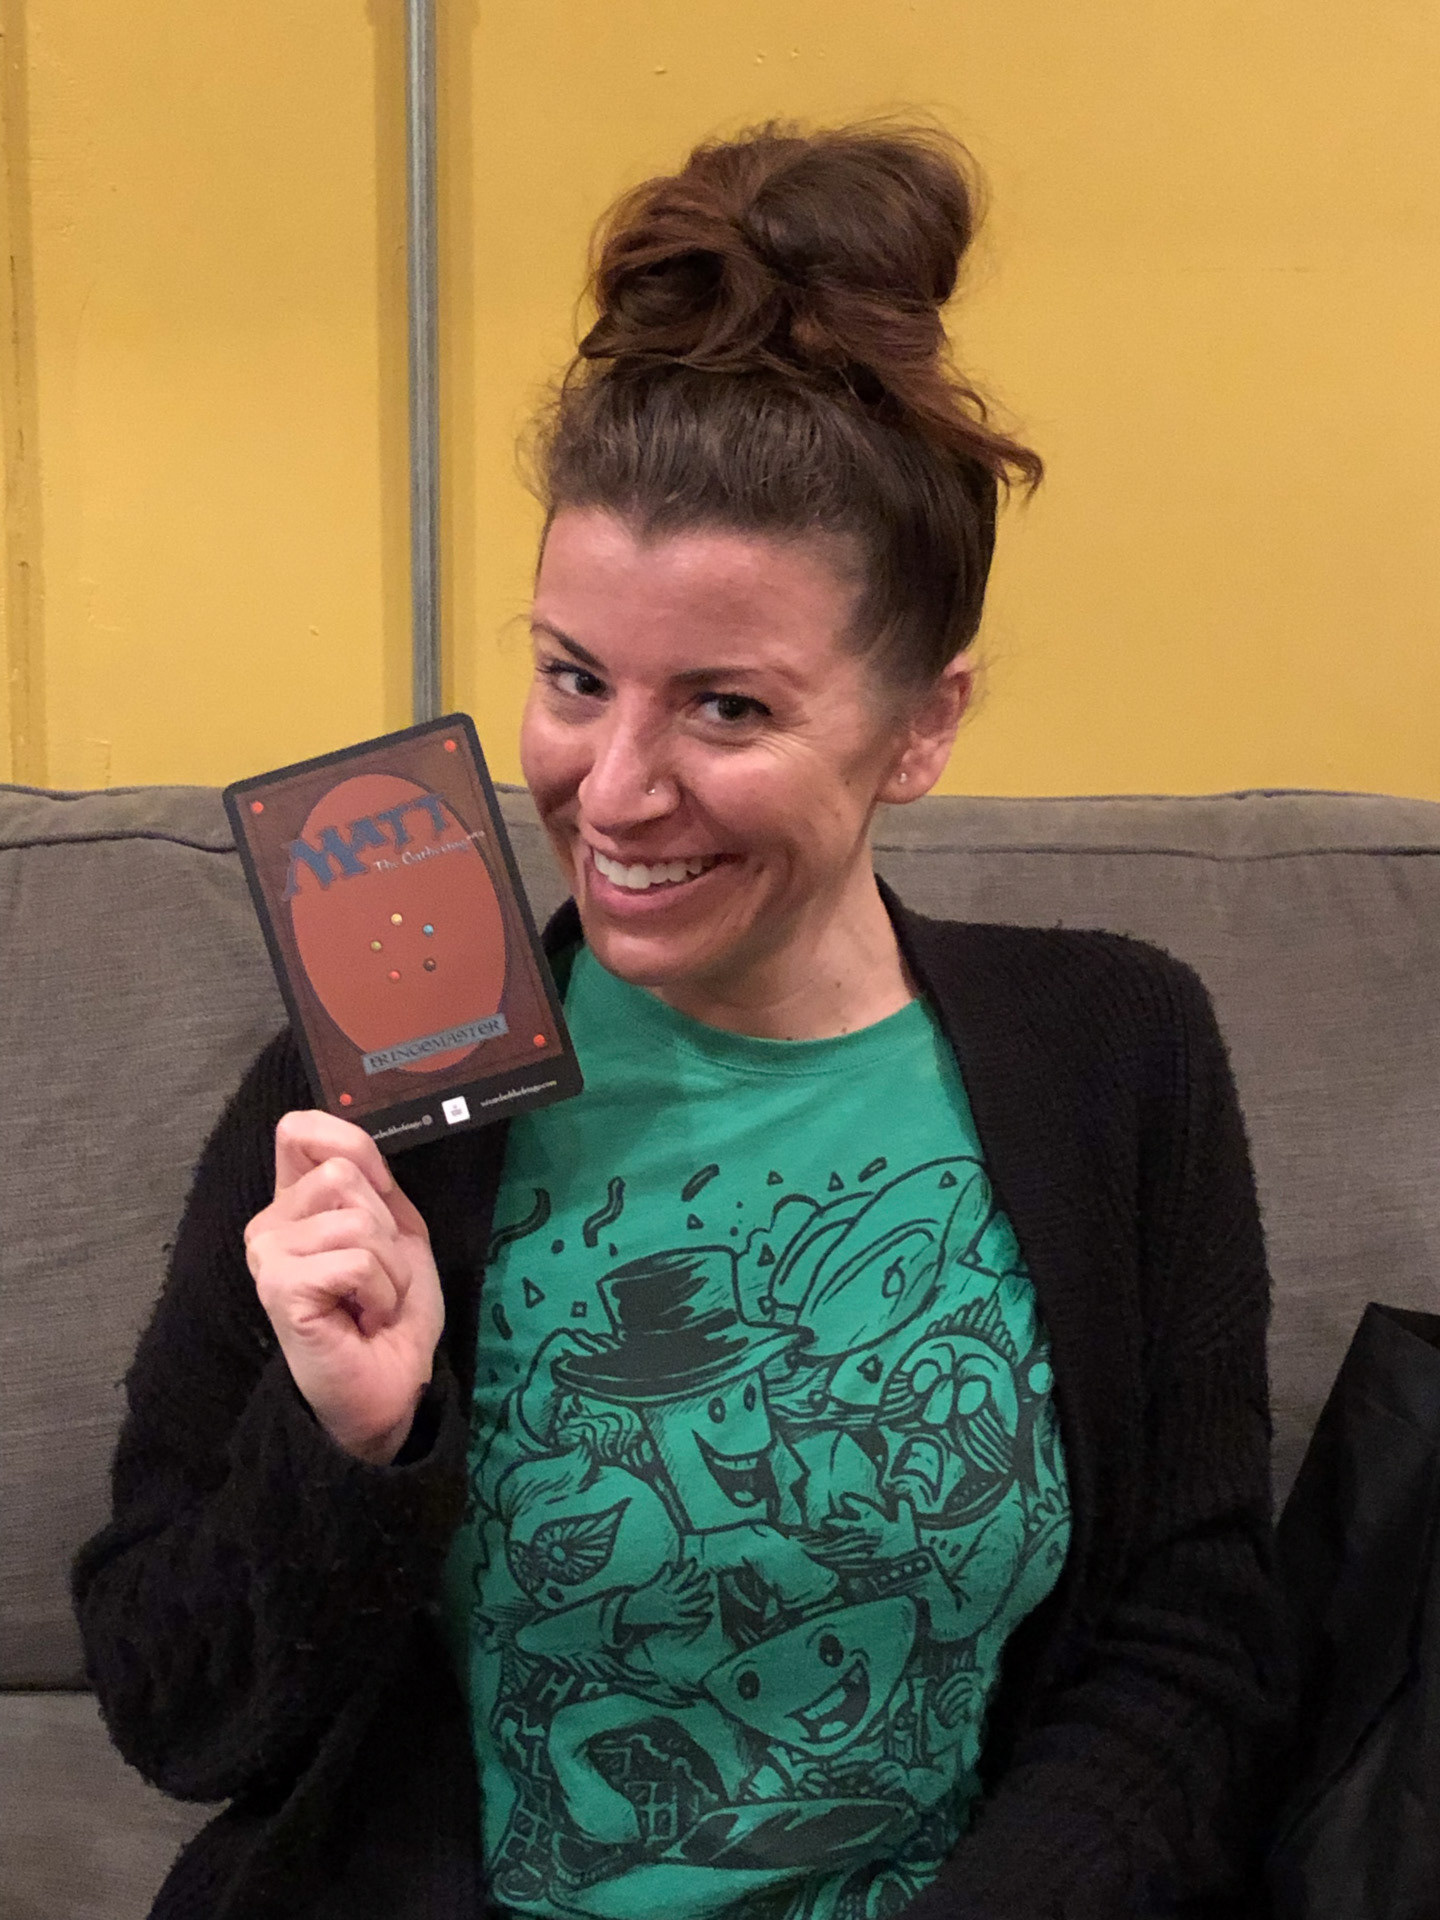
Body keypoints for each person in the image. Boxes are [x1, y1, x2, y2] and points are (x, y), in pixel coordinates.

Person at [74, 122, 1289, 1920]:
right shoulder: (380, 1093)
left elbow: (1189, 1649)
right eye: (574, 679)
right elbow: (174, 1716)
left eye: (726, 708)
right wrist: (353, 1446)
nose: (615, 789)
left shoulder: (1119, 1054)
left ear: (924, 725)